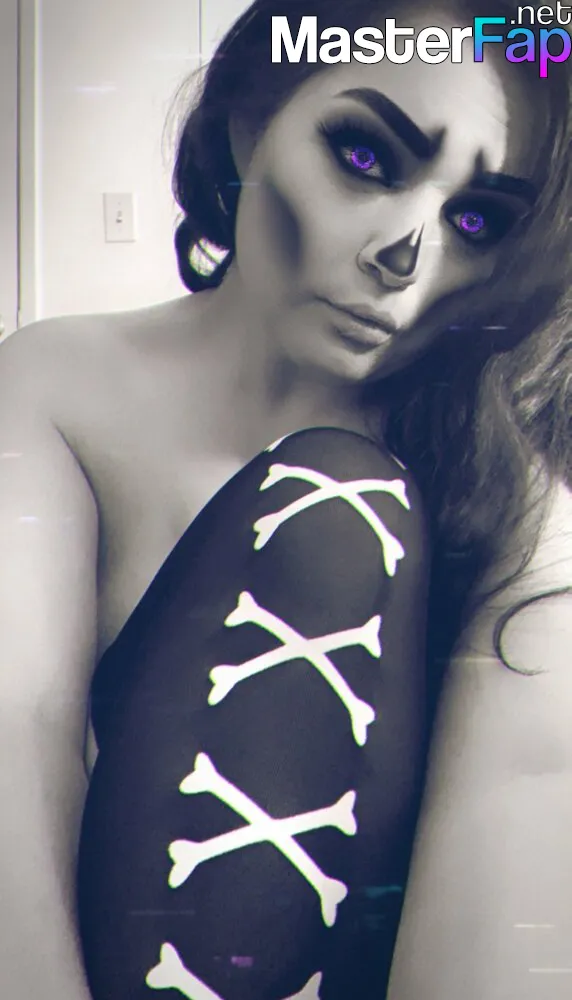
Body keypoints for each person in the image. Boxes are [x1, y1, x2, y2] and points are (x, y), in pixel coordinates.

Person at [0, 1, 571, 998]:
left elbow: (512, 840)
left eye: (476, 221)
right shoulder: (60, 380)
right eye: (366, 157)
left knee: (338, 507)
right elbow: (13, 727)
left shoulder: (506, 489)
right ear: (249, 120)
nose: (405, 251)